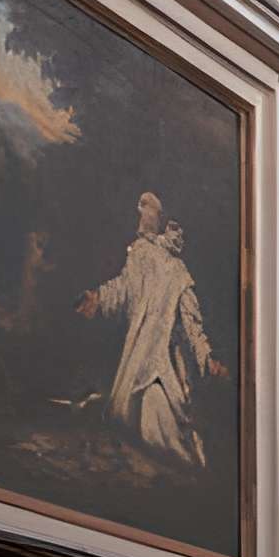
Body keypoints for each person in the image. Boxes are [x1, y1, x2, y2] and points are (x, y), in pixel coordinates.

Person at [77, 192, 223, 466]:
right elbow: (123, 288)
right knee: (128, 415)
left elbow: (192, 324)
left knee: (156, 418)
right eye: (140, 204)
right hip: (138, 353)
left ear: (161, 216)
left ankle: (191, 463)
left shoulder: (178, 271)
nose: (139, 209)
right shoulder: (139, 253)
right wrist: (99, 297)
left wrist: (207, 358)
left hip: (162, 362)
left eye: (147, 205)